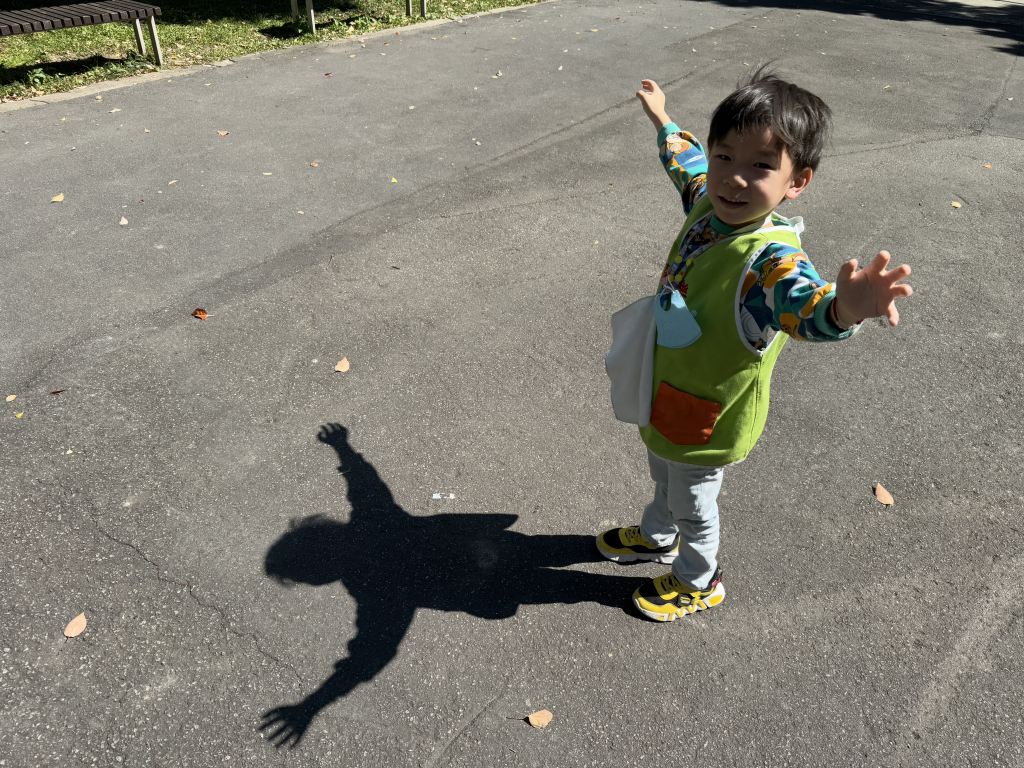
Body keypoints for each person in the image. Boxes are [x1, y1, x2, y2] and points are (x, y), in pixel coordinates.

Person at [596, 68, 913, 622]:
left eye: (761, 166)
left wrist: (845, 308)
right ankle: (657, 535)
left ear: (797, 181)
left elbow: (805, 308)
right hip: (667, 385)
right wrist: (663, 116)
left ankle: (699, 580)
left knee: (695, 503)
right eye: (725, 156)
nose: (734, 179)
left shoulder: (770, 261)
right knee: (663, 471)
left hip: (710, 412)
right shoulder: (709, 201)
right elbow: (687, 163)